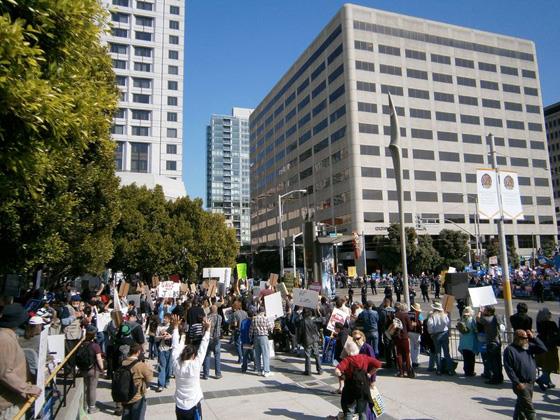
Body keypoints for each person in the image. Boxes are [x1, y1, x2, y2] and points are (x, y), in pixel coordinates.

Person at [0, 304, 42, 419]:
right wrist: (27, 388)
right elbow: (5, 373)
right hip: (9, 405)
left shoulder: (8, 336)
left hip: (15, 399)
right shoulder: (4, 339)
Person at [171, 314, 211, 420]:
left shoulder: (176, 364)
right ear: (193, 355)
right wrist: (208, 330)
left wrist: (175, 328)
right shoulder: (195, 365)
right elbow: (203, 347)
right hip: (193, 404)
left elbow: (175, 347)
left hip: (179, 406)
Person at [503, 329, 547, 420]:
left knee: (521, 406)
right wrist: (517, 382)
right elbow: (509, 369)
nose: (526, 340)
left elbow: (543, 349)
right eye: (524, 338)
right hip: (521, 384)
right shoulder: (510, 350)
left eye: (527, 338)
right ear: (517, 338)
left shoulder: (528, 347)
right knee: (529, 408)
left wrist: (533, 338)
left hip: (530, 382)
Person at [335, 339, 382, 420]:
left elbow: (337, 370)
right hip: (363, 389)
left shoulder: (347, 360)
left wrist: (342, 376)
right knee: (362, 412)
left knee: (349, 411)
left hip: (350, 389)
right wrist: (369, 374)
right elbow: (378, 364)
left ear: (348, 351)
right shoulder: (365, 357)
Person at [121, 343, 153, 420]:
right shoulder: (140, 365)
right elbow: (149, 378)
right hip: (137, 396)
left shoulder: (122, 363)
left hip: (124, 395)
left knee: (126, 416)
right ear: (138, 352)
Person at [77, 325, 104, 414]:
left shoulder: (81, 344)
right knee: (92, 388)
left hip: (83, 369)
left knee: (85, 388)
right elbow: (99, 359)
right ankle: (92, 407)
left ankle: (84, 406)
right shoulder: (95, 346)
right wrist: (102, 368)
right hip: (93, 369)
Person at [477, 305, 503, 384]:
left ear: (488, 311)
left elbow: (478, 319)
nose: (484, 311)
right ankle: (499, 377)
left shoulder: (486, 319)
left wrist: (480, 311)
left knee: (493, 362)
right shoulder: (496, 317)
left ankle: (495, 379)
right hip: (498, 342)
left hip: (491, 343)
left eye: (485, 310)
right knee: (498, 361)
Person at [535, 307, 559, 390]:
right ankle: (542, 379)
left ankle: (548, 381)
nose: (550, 314)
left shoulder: (539, 323)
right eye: (549, 313)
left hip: (541, 346)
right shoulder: (551, 324)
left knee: (545, 365)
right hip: (550, 347)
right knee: (550, 365)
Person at [427, 302, 454, 375]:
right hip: (444, 333)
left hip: (436, 334)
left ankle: (439, 370)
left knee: (438, 353)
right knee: (446, 353)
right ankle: (450, 370)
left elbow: (430, 325)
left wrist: (431, 333)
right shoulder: (444, 315)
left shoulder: (432, 316)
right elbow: (448, 324)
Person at [249, 307, 274, 377]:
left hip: (256, 337)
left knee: (257, 354)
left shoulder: (254, 318)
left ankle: (259, 370)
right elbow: (270, 328)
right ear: (263, 312)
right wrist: (272, 324)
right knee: (265, 354)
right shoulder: (265, 318)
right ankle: (266, 371)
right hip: (264, 336)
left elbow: (251, 329)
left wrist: (250, 337)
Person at [298, 308, 322, 376]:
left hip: (307, 340)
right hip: (314, 339)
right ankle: (319, 370)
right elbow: (316, 329)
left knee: (308, 356)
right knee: (317, 355)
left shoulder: (302, 322)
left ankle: (308, 371)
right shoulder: (313, 320)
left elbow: (300, 332)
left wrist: (299, 341)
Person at [393, 303, 414, 378]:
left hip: (397, 337)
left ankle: (401, 372)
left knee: (399, 354)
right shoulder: (406, 315)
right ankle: (408, 371)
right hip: (404, 336)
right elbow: (410, 327)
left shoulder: (395, 315)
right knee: (407, 354)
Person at [202, 305, 222, 379]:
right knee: (217, 356)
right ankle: (218, 373)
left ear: (210, 310)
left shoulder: (207, 318)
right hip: (216, 338)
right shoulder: (219, 317)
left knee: (207, 356)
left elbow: (203, 328)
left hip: (208, 338)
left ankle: (206, 374)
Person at [457, 306, 478, 377]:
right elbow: (475, 329)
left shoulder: (461, 319)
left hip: (463, 341)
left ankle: (466, 371)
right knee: (471, 358)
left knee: (465, 357)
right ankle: (471, 371)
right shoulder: (471, 320)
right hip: (471, 341)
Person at [155, 313, 173, 392]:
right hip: (161, 349)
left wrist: (169, 336)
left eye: (166, 318)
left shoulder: (172, 327)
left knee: (169, 368)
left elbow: (176, 337)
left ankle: (167, 381)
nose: (164, 319)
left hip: (170, 349)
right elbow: (156, 338)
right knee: (162, 367)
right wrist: (161, 337)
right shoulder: (159, 326)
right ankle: (160, 384)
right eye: (164, 318)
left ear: (169, 319)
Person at [408, 303, 423, 368]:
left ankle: (412, 360)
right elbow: (420, 323)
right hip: (416, 332)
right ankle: (415, 361)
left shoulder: (408, 314)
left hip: (410, 332)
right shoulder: (418, 315)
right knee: (416, 347)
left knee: (411, 347)